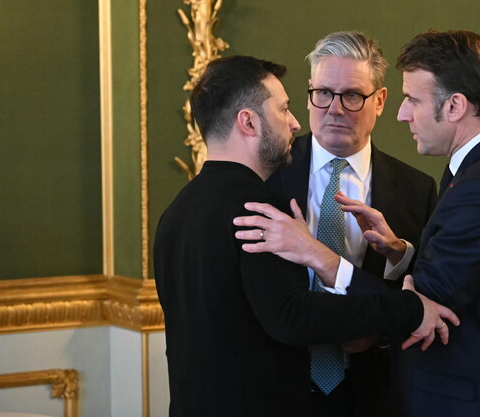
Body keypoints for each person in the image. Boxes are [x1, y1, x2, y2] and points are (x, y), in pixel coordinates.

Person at [240, 31, 480, 416]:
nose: (404, 114)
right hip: (282, 391)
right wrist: (403, 256)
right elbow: (454, 282)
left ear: (455, 105)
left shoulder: (470, 187)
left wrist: (319, 256)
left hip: (420, 398)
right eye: (322, 93)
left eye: (413, 100)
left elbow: (421, 312)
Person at [153, 55, 458, 416]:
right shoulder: (260, 209)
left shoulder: (176, 210)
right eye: (283, 110)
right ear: (248, 122)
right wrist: (409, 309)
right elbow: (293, 315)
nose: (295, 122)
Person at [265, 31, 437, 417]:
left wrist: (399, 256)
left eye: (353, 96)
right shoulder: (267, 179)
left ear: (380, 101)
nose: (335, 108)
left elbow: (426, 293)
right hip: (280, 386)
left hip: (376, 392)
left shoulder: (416, 189)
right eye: (323, 93)